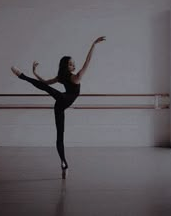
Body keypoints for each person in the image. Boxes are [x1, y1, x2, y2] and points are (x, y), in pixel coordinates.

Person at [11, 36, 106, 179]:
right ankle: (22, 76)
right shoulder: (69, 77)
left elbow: (46, 84)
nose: (73, 66)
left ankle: (63, 163)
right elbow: (46, 83)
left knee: (60, 135)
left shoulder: (74, 77)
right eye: (70, 64)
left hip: (60, 105)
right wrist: (35, 72)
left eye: (73, 64)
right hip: (62, 100)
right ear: (65, 67)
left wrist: (93, 44)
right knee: (48, 92)